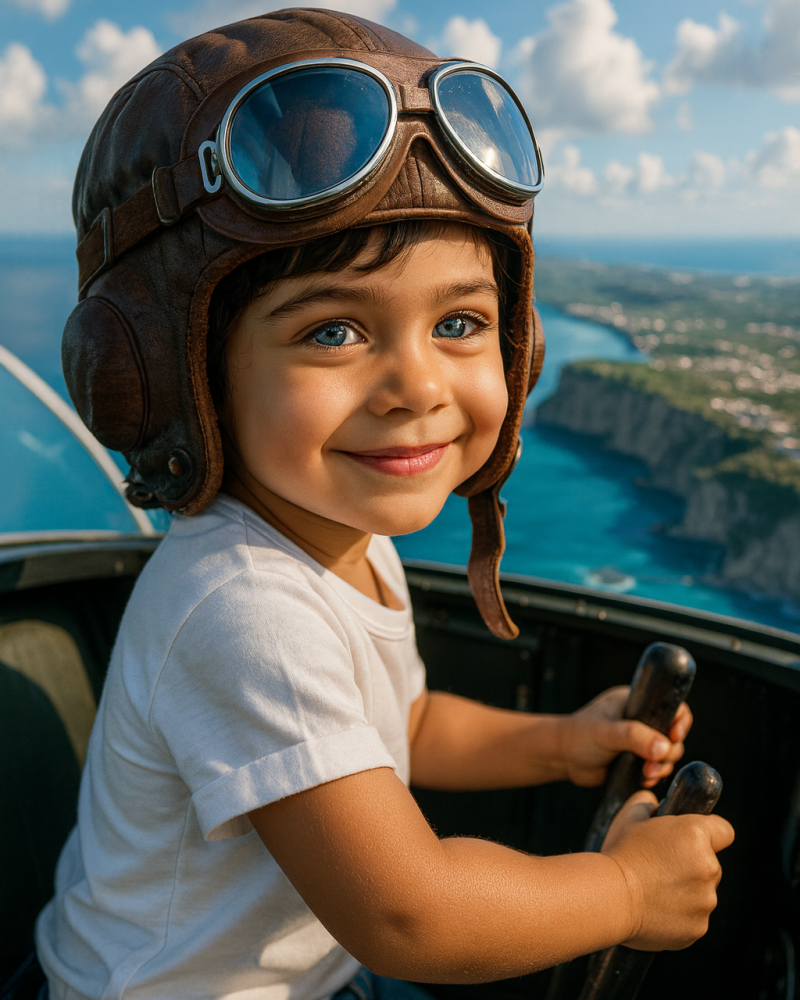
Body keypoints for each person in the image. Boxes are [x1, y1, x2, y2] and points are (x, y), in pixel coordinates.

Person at [36, 9, 734, 1000]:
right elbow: (412, 914)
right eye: (331, 333)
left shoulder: (342, 537)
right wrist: (620, 889)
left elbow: (395, 724)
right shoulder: (243, 609)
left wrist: (557, 742)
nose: (416, 385)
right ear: (176, 379)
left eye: (459, 322)